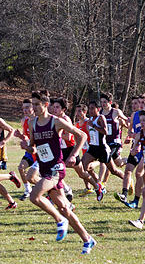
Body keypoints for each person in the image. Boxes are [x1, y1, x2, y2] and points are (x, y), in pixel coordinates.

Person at [27, 92, 96, 254]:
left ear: (45, 105)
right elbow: (33, 147)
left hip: (56, 168)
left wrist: (72, 155)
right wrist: (26, 146)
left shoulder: (56, 121)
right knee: (65, 208)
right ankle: (87, 239)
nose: (33, 108)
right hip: (44, 168)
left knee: (34, 196)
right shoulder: (32, 124)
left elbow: (82, 136)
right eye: (32, 104)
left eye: (36, 104)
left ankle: (59, 220)